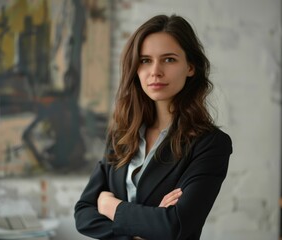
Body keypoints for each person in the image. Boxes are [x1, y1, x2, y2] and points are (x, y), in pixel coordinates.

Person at [74, 14, 232, 240]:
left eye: (169, 59)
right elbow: (83, 214)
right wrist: (144, 229)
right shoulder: (121, 135)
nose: (155, 71)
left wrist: (111, 207)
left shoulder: (210, 144)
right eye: (145, 60)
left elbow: (175, 226)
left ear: (190, 67)